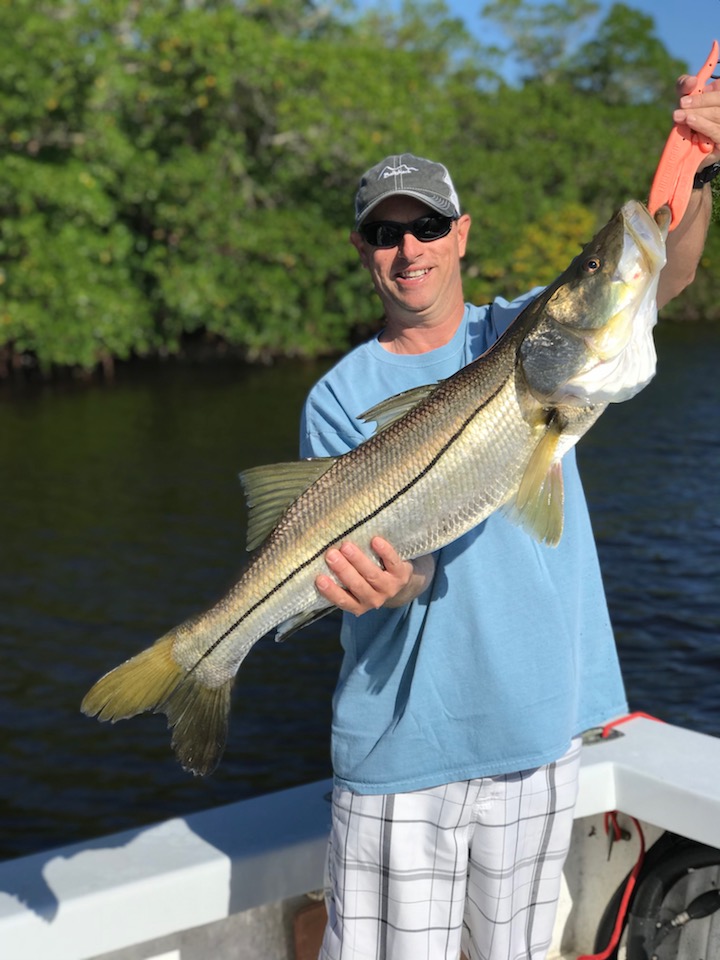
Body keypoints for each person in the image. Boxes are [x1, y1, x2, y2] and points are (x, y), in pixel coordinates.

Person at [298, 73, 719, 960]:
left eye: (425, 227)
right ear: (363, 249)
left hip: (535, 734)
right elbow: (390, 572)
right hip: (401, 751)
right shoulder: (336, 398)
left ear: (461, 235)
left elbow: (660, 277)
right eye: (385, 232)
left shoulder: (522, 337)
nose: (408, 248)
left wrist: (700, 168)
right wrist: (391, 579)